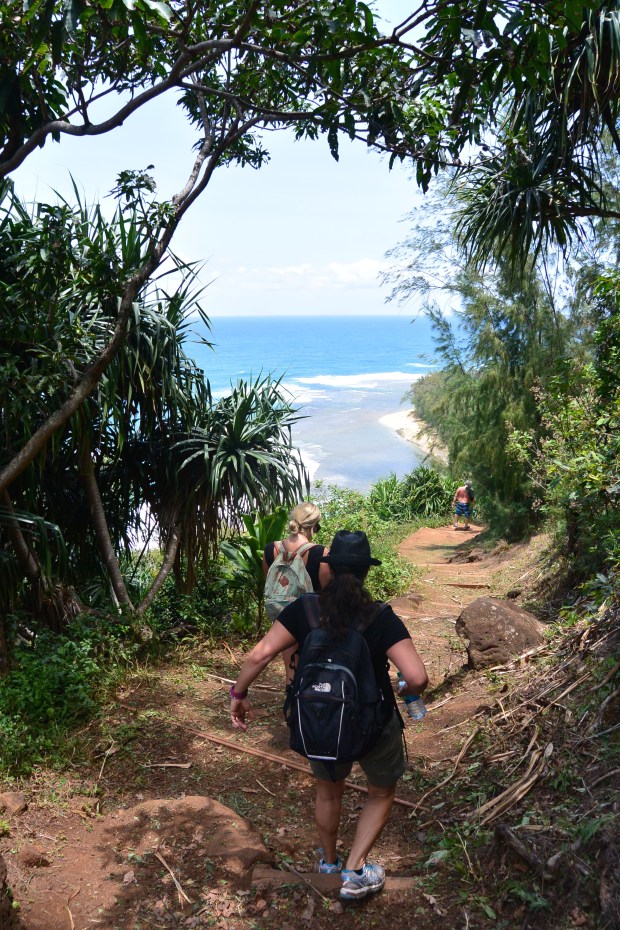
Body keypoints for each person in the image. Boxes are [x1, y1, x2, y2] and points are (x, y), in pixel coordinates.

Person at [230, 530, 428, 901]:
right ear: (366, 572)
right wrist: (406, 691)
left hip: (321, 721)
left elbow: (260, 654)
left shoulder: (305, 609)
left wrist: (238, 695)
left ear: (329, 568)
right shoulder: (380, 617)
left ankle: (330, 863)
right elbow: (416, 677)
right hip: (373, 723)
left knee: (328, 791)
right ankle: (355, 870)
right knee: (381, 791)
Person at [262, 502, 330, 684]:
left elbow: (269, 583)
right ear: (313, 527)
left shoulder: (270, 549)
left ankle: (291, 695)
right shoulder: (321, 553)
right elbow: (328, 592)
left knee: (291, 668)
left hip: (282, 616)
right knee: (312, 669)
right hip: (311, 619)